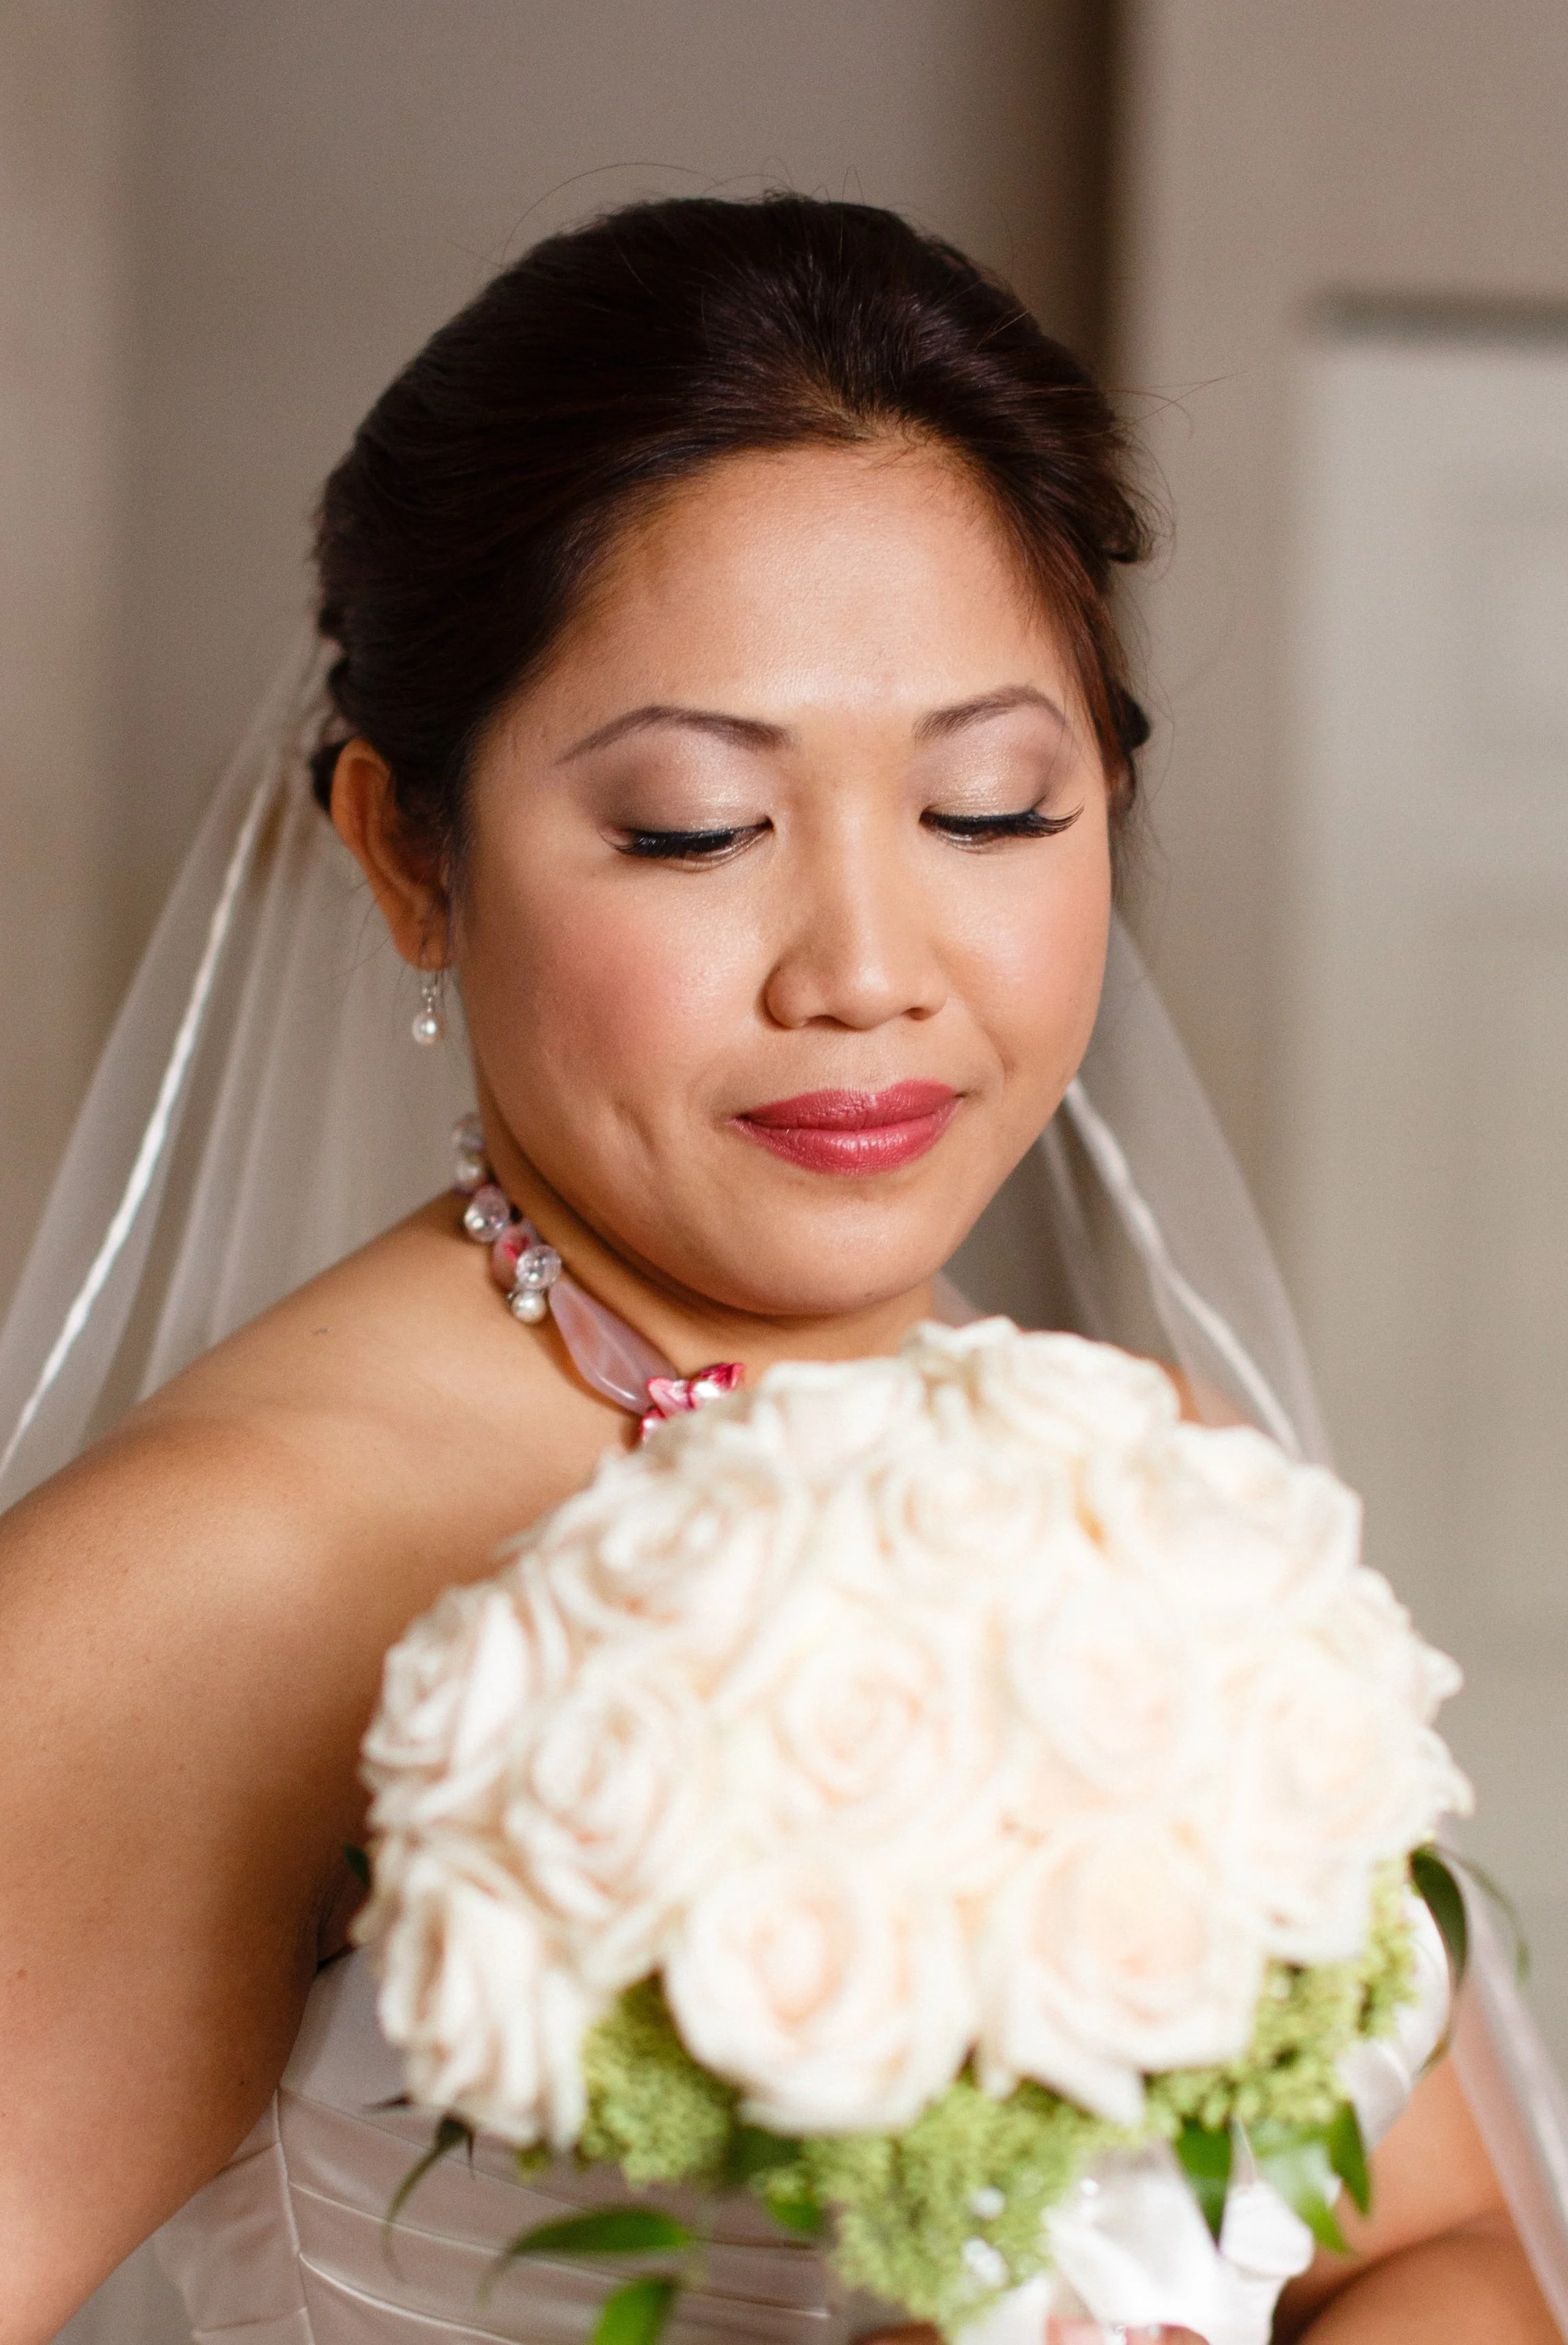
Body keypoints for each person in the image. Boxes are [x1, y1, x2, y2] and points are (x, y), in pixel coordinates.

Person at [0, 196, 1558, 2345]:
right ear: (407, 852)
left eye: (993, 810)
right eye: (692, 829)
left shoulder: (1141, 1503)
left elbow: (1440, 2248)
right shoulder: (213, 1583)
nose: (863, 973)